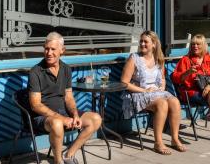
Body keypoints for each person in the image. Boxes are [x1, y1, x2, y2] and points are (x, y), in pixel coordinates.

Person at [28, 32, 102, 164]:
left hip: (64, 112)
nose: (49, 53)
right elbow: (36, 105)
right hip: (42, 118)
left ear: (62, 50)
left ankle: (69, 154)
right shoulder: (36, 72)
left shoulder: (66, 69)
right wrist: (61, 118)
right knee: (56, 124)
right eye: (46, 49)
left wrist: (75, 115)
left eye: (53, 49)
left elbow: (68, 97)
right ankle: (58, 161)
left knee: (96, 119)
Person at [120, 30, 187, 155]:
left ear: (154, 44)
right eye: (141, 41)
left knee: (175, 102)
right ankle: (158, 142)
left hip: (156, 93)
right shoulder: (134, 58)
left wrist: (162, 86)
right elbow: (124, 83)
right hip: (137, 93)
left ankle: (174, 138)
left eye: (146, 42)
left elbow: (162, 79)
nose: (142, 44)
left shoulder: (158, 59)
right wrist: (144, 90)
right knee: (162, 104)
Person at [171, 34, 210, 146]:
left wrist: (209, 85)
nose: (195, 46)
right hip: (191, 92)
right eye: (193, 44)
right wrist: (188, 72)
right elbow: (176, 78)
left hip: (209, 90)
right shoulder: (185, 60)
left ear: (203, 45)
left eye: (198, 44)